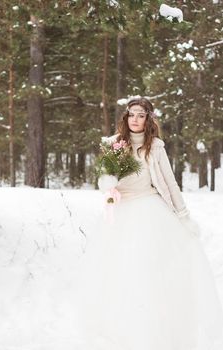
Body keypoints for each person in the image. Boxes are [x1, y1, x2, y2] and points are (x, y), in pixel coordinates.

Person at [66, 97, 223, 350]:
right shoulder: (113, 145)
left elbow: (170, 183)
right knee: (119, 272)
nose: (135, 120)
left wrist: (183, 216)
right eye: (131, 115)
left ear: (148, 119)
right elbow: (104, 182)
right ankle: (121, 330)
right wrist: (107, 180)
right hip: (121, 213)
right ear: (125, 118)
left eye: (141, 115)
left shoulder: (156, 147)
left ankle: (155, 330)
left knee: (151, 272)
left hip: (151, 211)